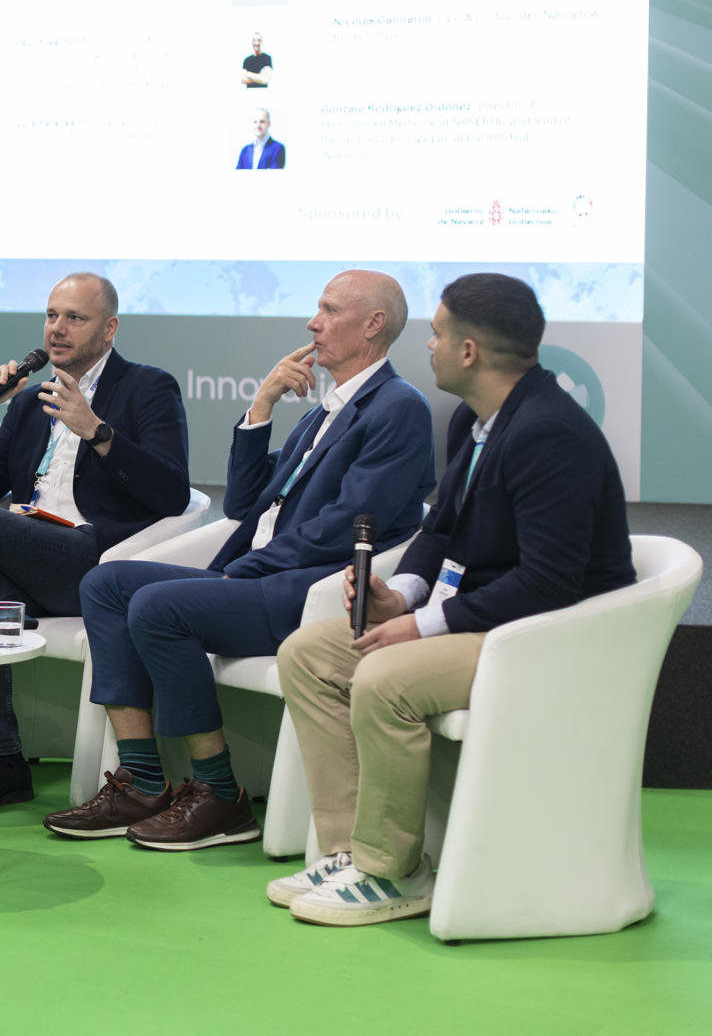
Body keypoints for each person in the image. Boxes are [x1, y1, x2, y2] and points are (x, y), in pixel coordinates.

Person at [271, 274, 634, 926]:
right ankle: (351, 851)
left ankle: (393, 872)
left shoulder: (550, 433)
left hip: (550, 637)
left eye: (437, 334)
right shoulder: (478, 418)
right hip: (490, 619)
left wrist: (422, 627)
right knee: (310, 654)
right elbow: (441, 529)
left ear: (468, 351)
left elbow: (550, 583)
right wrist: (400, 595)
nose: (428, 346)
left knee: (383, 677)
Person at [55, 271, 435, 850]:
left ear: (373, 324)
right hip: (256, 576)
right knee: (104, 583)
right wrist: (262, 406)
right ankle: (142, 780)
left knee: (158, 605)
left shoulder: (398, 408)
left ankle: (220, 794)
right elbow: (245, 501)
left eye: (329, 310)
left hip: (302, 589)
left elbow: (348, 526)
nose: (313, 323)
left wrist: (245, 570)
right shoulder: (322, 411)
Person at [0, 273, 191, 816]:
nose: (58, 329)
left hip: (96, 561)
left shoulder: (149, 387)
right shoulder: (32, 399)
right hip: (34, 556)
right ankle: (7, 762)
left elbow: (173, 492)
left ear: (110, 329)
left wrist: (98, 432)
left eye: (75, 318)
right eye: (52, 315)